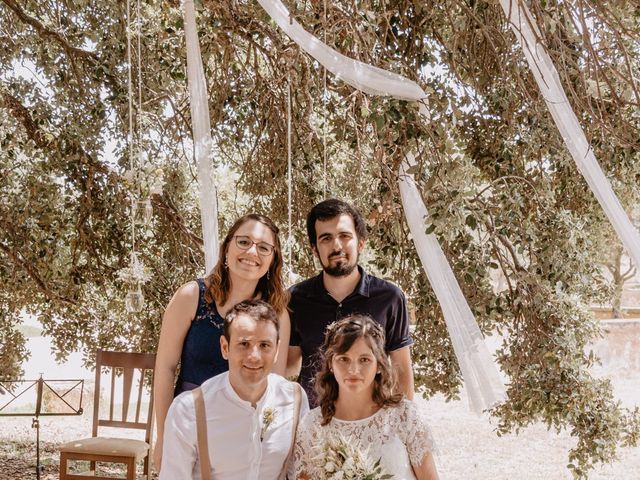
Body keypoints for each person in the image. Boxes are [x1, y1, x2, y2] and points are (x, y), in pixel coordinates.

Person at [153, 214, 290, 471]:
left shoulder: (277, 311)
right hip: (190, 427)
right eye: (243, 241)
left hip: (245, 435)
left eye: (263, 247)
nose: (252, 251)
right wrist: (163, 437)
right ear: (227, 247)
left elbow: (276, 382)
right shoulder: (191, 296)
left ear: (273, 259)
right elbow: (165, 369)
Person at [160, 300, 309, 480]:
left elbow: (300, 472)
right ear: (225, 347)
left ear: (277, 349)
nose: (254, 356)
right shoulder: (188, 409)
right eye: (244, 344)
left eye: (264, 345)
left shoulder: (295, 398)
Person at [287, 199, 414, 406]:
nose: (336, 246)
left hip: (371, 421)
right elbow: (288, 369)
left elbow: (401, 371)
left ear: (361, 243)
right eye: (326, 238)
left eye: (344, 236)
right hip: (313, 422)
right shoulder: (294, 299)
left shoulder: (390, 298)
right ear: (314, 249)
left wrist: (404, 424)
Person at [294, 315, 438, 480]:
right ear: (330, 365)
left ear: (378, 364)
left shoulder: (405, 416)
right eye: (343, 359)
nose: (354, 369)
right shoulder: (311, 426)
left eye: (364, 359)